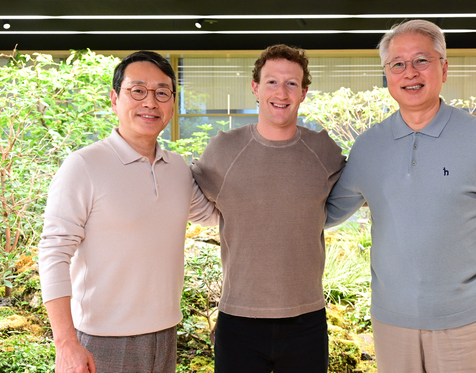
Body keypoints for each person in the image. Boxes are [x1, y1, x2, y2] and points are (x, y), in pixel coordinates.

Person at [326, 20, 476, 373]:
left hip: (463, 321)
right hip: (391, 321)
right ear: (387, 74)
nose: (409, 72)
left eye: (421, 60)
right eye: (397, 64)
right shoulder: (369, 146)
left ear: (444, 68)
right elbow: (324, 213)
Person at [38, 51, 219, 373]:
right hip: (101, 339)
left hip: (165, 333)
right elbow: (53, 253)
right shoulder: (83, 166)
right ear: (114, 99)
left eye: (162, 93)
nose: (150, 102)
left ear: (172, 104)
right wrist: (66, 343)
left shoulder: (177, 168)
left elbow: (219, 217)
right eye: (137, 91)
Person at [191, 44, 345, 373]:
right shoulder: (223, 151)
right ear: (256, 88)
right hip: (239, 319)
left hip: (306, 320)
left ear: (304, 92)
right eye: (272, 82)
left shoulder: (324, 152)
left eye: (292, 83)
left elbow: (344, 199)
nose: (281, 92)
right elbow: (188, 196)